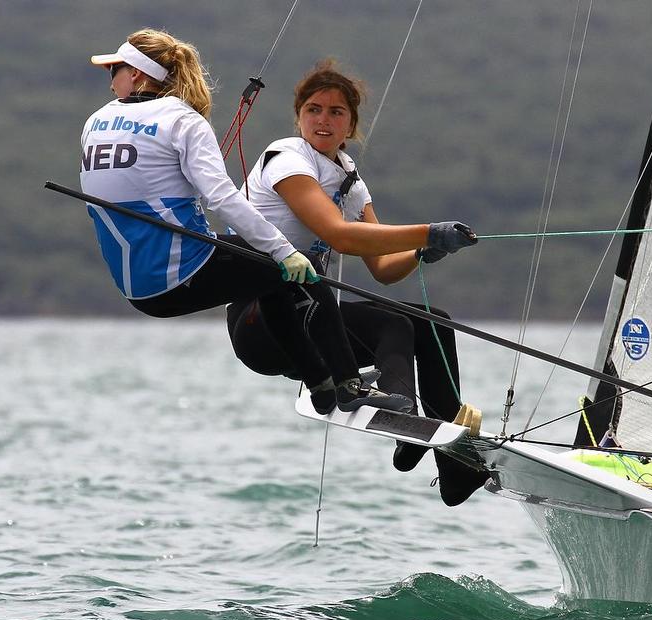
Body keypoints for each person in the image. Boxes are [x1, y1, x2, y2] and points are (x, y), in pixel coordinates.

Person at [80, 29, 425, 413]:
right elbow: (222, 197)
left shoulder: (95, 122)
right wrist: (283, 251)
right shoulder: (182, 120)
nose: (111, 80)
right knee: (301, 269)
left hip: (137, 290)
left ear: (140, 76)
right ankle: (348, 386)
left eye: (116, 70)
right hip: (183, 271)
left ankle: (322, 387)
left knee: (276, 280)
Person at [225, 59, 489, 506]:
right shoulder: (286, 160)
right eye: (314, 109)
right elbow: (339, 236)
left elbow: (383, 268)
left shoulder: (350, 180)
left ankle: (451, 461)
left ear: (351, 123)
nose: (323, 120)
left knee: (434, 322)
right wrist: (427, 230)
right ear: (298, 117)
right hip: (261, 324)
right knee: (395, 327)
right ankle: (409, 428)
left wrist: (425, 251)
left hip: (313, 318)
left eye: (336, 112)